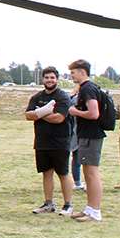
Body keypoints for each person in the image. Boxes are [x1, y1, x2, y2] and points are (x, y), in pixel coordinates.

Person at [27, 67, 74, 215]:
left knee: (63, 173)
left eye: (52, 77)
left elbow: (59, 118)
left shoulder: (62, 97)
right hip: (42, 141)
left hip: (60, 142)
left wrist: (39, 113)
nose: (49, 80)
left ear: (57, 79)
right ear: (42, 79)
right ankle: (48, 204)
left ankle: (68, 205)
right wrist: (45, 111)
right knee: (46, 173)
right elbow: (28, 115)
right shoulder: (36, 97)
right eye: (46, 77)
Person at [66, 59, 106, 221]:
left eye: (73, 72)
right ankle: (89, 208)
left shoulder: (88, 88)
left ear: (82, 72)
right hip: (86, 135)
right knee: (87, 172)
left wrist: (75, 112)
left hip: (92, 135)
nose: (71, 76)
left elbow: (94, 113)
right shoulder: (86, 88)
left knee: (92, 173)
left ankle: (95, 211)